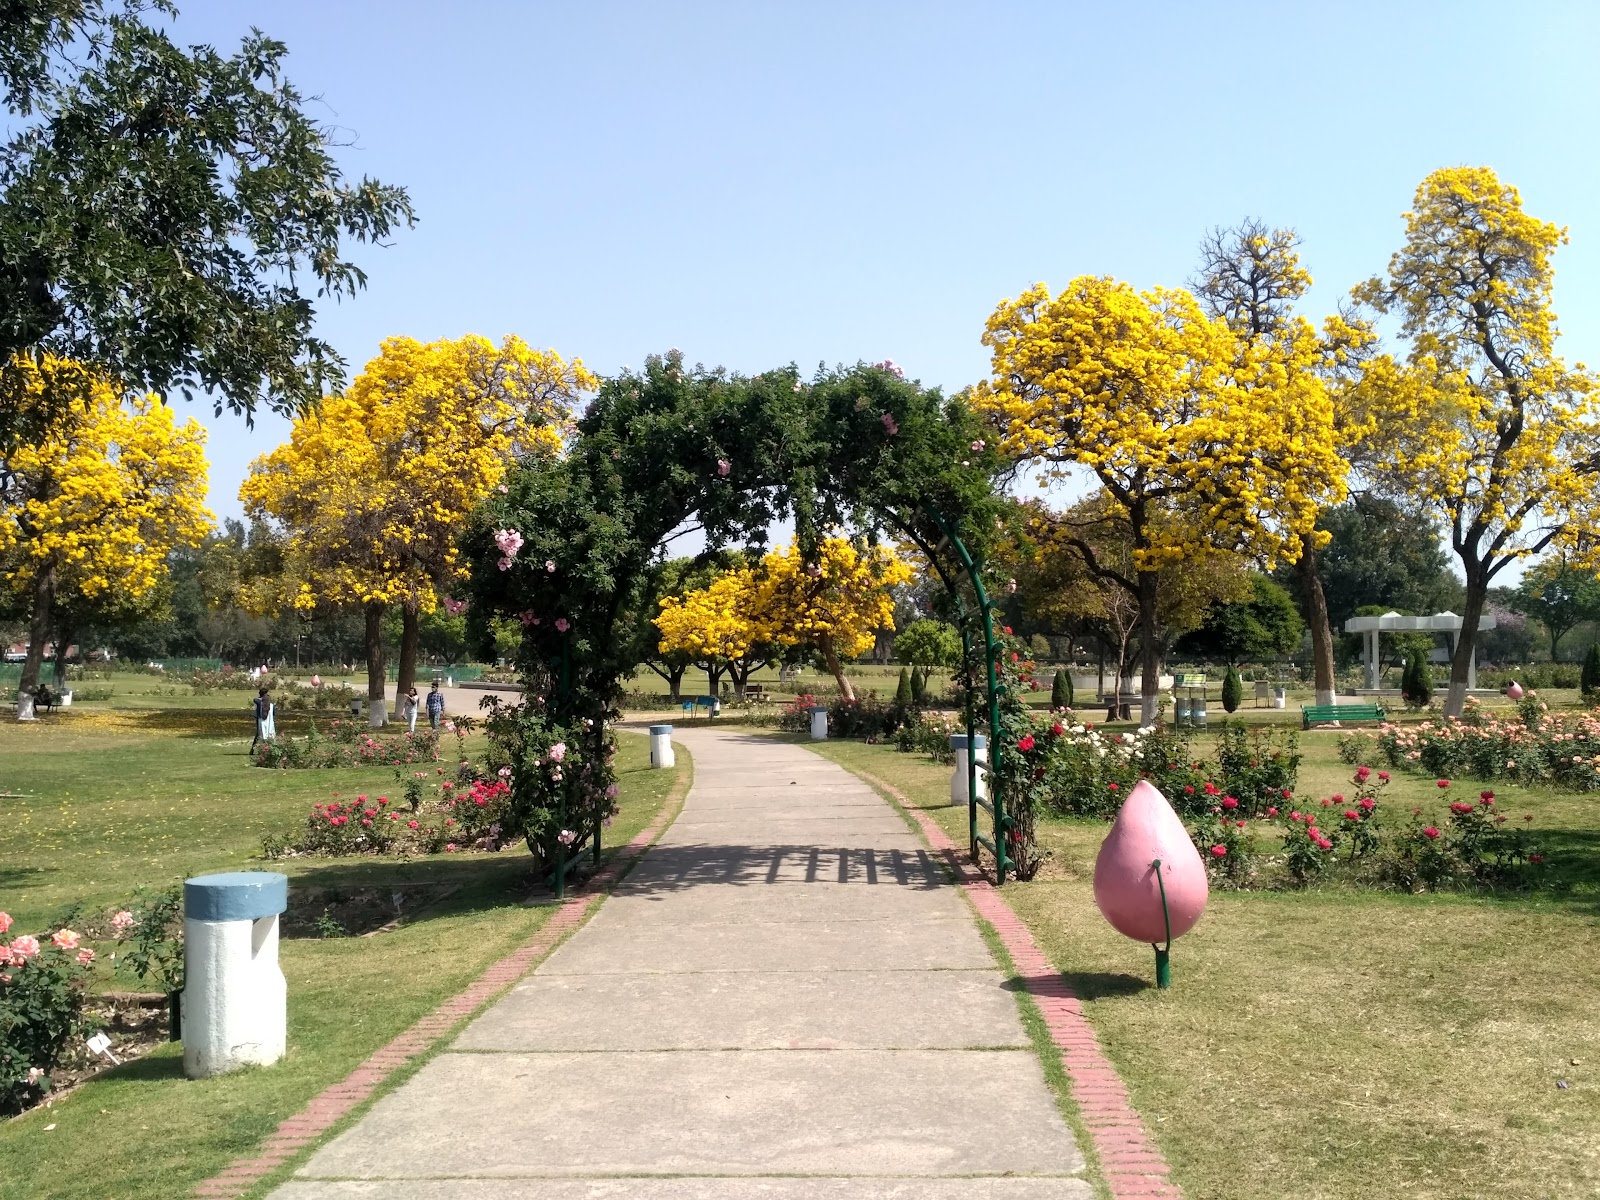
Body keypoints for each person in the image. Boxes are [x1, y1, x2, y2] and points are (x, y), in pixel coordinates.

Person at [251, 686, 274, 751]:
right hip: (265, 720)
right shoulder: (266, 701)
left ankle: (253, 750)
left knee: (260, 734)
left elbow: (255, 699)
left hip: (260, 719)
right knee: (264, 734)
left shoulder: (260, 701)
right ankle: (265, 749)